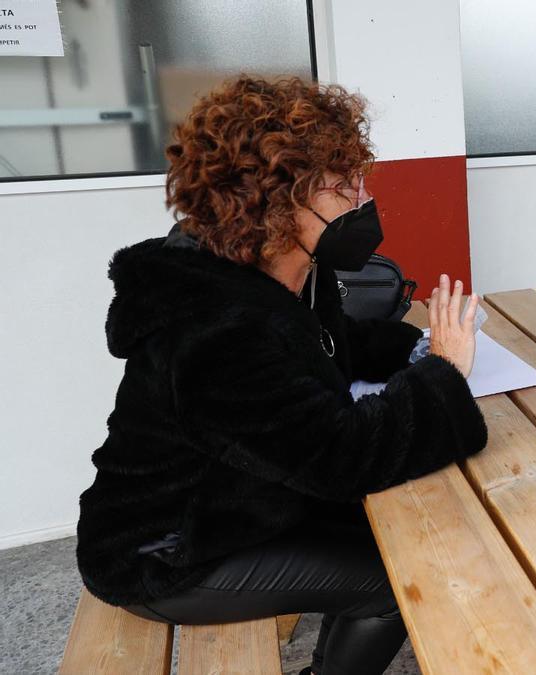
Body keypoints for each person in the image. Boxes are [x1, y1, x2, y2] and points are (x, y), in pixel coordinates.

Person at [75, 76, 487, 675]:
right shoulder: (214, 324)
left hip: (247, 498)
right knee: (396, 576)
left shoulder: (289, 270)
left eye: (359, 177)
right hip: (169, 551)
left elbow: (324, 347)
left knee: (414, 527)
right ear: (272, 198)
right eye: (343, 185)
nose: (363, 199)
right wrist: (444, 373)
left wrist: (418, 346)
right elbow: (341, 460)